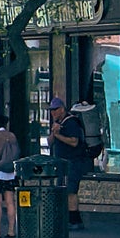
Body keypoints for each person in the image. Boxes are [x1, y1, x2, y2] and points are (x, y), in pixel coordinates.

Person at [47, 95, 90, 228]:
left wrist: (59, 135)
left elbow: (74, 141)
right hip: (62, 163)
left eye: (55, 109)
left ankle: (74, 220)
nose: (53, 112)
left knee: (71, 191)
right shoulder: (58, 124)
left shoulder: (71, 122)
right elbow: (49, 143)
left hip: (73, 161)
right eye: (51, 110)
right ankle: (68, 218)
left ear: (62, 109)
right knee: (63, 190)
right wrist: (54, 132)